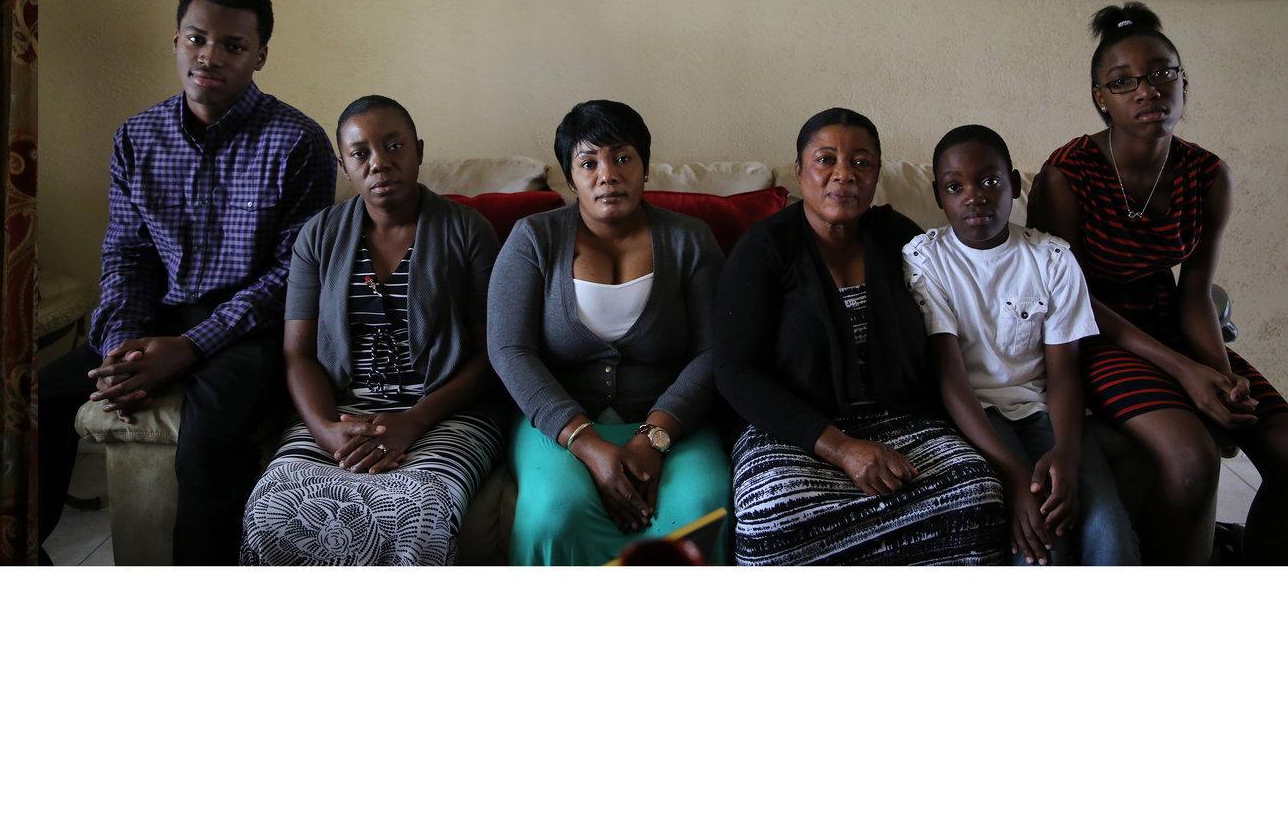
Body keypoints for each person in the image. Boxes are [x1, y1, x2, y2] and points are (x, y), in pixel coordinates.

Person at [34, 0, 334, 564]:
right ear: (176, 41)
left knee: (210, 443)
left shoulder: (298, 141)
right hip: (160, 311)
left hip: (253, 327)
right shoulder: (136, 137)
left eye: (233, 46)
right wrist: (122, 348)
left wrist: (189, 347)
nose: (210, 56)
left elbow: (290, 278)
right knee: (37, 397)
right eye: (197, 38)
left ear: (259, 56)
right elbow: (127, 254)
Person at [1029, 2, 1288, 565]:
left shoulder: (1208, 175)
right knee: (1193, 458)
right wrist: (1183, 371)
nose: (1146, 91)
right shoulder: (1066, 175)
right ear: (1101, 97)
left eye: (1161, 73)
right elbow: (1069, 299)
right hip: (1092, 333)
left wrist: (1219, 375)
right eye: (1123, 82)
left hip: (1168, 320)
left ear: (1183, 81)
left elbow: (1195, 295)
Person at [716, 109, 1006, 565]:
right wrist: (842, 447)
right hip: (794, 430)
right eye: (825, 160)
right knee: (773, 516)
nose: (843, 175)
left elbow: (955, 323)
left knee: (977, 493)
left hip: (903, 419)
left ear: (876, 173)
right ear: (799, 170)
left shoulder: (903, 239)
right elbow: (734, 370)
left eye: (861, 162)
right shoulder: (764, 247)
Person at [239, 96, 507, 565]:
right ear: (345, 166)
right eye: (361, 153)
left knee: (417, 509)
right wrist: (324, 430)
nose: (380, 163)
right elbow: (298, 354)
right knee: (271, 508)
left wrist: (415, 421)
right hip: (344, 407)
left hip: (445, 409)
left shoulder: (468, 230)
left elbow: (492, 355)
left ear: (418, 151)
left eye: (394, 145)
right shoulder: (318, 236)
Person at [486, 100, 731, 565]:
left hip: (673, 423)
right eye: (588, 162)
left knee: (700, 509)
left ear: (644, 167)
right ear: (570, 175)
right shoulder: (532, 239)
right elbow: (508, 350)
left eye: (622, 158)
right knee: (553, 515)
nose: (607, 174)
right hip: (558, 425)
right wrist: (586, 442)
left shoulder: (690, 239)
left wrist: (654, 436)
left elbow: (715, 349)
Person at [903, 125, 1138, 566]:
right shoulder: (925, 260)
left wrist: (1066, 452)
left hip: (1043, 410)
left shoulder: (1052, 258)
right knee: (1040, 547)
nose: (975, 196)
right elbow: (952, 380)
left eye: (990, 181)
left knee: (1108, 530)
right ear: (939, 195)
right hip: (972, 418)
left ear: (1014, 182)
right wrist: (1013, 475)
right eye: (956, 186)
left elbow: (1064, 372)